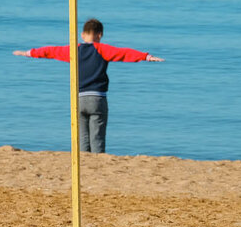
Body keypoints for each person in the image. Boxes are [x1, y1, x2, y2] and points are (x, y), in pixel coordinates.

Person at [14, 17, 163, 154]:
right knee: (97, 137)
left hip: (78, 99)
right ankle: (98, 165)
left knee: (83, 138)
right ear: (100, 35)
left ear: (82, 35)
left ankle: (84, 165)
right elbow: (124, 53)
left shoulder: (74, 50)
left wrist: (28, 53)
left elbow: (51, 51)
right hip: (97, 99)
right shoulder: (102, 49)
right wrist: (146, 57)